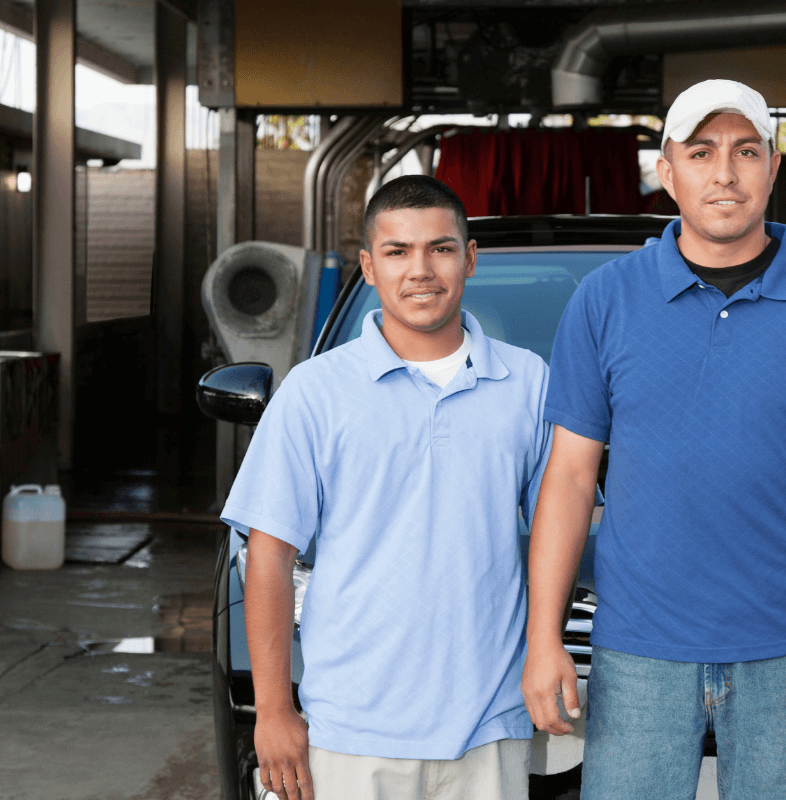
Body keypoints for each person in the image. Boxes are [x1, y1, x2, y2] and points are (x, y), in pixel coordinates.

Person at [521, 78, 786, 800]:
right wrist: (544, 640)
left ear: (773, 168)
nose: (725, 173)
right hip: (638, 653)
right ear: (668, 170)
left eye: (746, 151)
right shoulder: (604, 300)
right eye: (702, 151)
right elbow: (567, 479)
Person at [222, 175, 552, 800]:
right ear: (370, 267)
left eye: (441, 248)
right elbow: (267, 553)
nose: (421, 270)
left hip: (489, 726)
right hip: (348, 729)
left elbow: (562, 532)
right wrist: (274, 711)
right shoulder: (313, 392)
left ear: (470, 258)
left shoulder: (530, 383)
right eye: (399, 252)